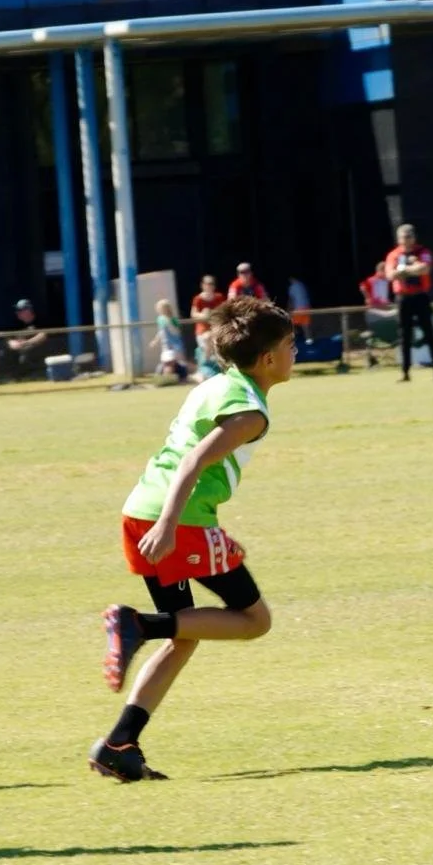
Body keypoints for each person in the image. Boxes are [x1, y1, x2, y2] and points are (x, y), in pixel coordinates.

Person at [89, 296, 295, 782]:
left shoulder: (218, 385)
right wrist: (170, 525)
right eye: (290, 344)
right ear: (267, 358)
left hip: (142, 510)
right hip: (176, 521)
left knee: (185, 632)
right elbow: (193, 461)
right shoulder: (251, 413)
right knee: (254, 621)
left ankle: (119, 745)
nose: (295, 352)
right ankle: (137, 623)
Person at [386, 223, 433, 381]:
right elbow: (390, 275)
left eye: (409, 237)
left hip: (420, 296)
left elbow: (425, 269)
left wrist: (404, 270)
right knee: (404, 335)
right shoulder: (393, 255)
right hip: (403, 298)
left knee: (429, 332)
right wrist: (412, 269)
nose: (406, 240)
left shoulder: (423, 252)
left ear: (414, 238)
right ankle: (405, 372)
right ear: (399, 239)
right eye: (403, 237)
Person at [189, 275, 227, 380]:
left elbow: (224, 311)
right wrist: (203, 315)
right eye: (207, 284)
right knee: (207, 338)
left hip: (216, 328)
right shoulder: (198, 299)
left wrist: (213, 314)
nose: (209, 286)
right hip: (202, 330)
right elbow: (193, 314)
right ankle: (205, 363)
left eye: (211, 284)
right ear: (203, 285)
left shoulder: (219, 297)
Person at [152, 299, 189, 383]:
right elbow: (161, 331)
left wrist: (169, 322)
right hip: (166, 345)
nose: (160, 310)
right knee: (167, 362)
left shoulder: (173, 319)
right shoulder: (160, 319)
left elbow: (176, 331)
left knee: (179, 361)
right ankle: (165, 378)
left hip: (176, 344)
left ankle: (184, 377)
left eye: (162, 308)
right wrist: (155, 340)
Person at [287, 276, 311, 344]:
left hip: (298, 308)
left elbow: (291, 299)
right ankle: (309, 339)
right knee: (305, 324)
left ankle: (293, 341)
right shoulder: (302, 284)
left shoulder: (292, 287)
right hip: (306, 307)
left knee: (292, 324)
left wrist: (289, 308)